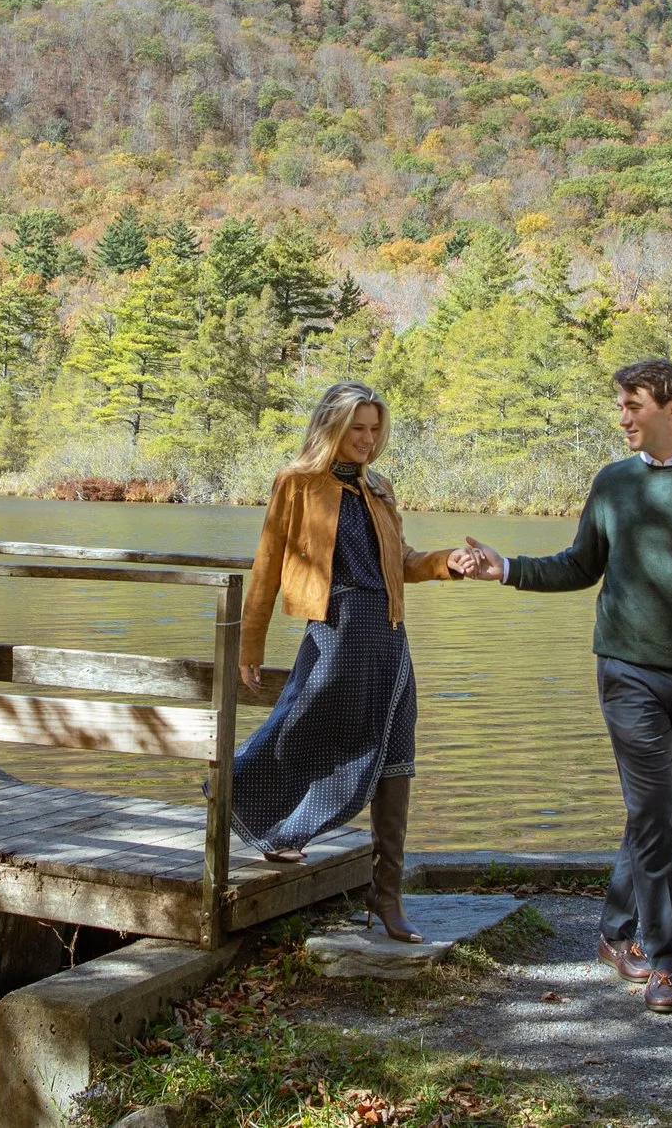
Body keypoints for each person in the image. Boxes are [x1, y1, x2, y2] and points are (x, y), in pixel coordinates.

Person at [451, 358, 672, 1013]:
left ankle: (615, 931)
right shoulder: (613, 483)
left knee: (654, 810)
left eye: (633, 404)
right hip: (625, 671)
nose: (622, 417)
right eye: (620, 405)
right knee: (656, 812)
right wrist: (506, 568)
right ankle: (665, 960)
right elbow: (578, 565)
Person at [232, 381, 459, 941]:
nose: (367, 438)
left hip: (388, 630)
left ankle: (388, 897)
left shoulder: (378, 488)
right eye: (357, 427)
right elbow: (266, 567)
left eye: (375, 428)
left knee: (397, 751)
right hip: (336, 626)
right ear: (332, 426)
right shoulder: (297, 483)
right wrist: (250, 646)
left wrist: (447, 562)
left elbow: (400, 561)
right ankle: (245, 798)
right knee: (315, 726)